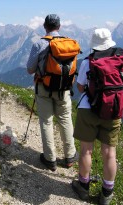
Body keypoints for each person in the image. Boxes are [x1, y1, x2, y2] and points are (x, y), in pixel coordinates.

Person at [71, 28, 123, 205]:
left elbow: (80, 87)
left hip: (88, 109)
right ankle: (106, 194)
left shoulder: (88, 62)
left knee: (86, 150)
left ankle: (83, 187)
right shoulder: (120, 61)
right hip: (113, 111)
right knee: (110, 153)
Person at [26, 14, 78, 172]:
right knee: (65, 120)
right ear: (59, 26)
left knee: (46, 122)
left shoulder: (39, 43)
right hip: (64, 89)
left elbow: (30, 69)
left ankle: (50, 159)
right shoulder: (69, 43)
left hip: (44, 88)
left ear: (45, 26)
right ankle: (70, 156)